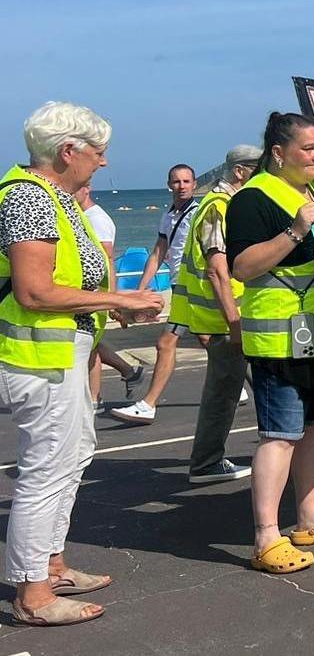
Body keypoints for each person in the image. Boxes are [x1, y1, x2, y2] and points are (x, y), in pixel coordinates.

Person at [0, 102, 164, 626]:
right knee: (45, 469)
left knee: (69, 459)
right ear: (67, 151)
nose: (104, 163)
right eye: (98, 153)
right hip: (40, 355)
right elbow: (34, 290)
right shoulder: (29, 199)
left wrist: (108, 300)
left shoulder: (55, 197)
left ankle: (51, 565)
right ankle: (33, 594)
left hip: (62, 352)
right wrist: (120, 302)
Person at [228, 112, 314, 574]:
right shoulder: (253, 199)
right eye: (310, 148)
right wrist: (295, 231)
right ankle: (266, 537)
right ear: (279, 152)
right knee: (280, 435)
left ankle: (311, 516)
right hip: (279, 341)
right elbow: (242, 267)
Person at [169, 145, 260, 483]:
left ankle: (279, 443)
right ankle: (206, 463)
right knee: (223, 393)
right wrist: (234, 321)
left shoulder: (224, 205)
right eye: (257, 168)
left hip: (229, 316)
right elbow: (216, 270)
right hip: (225, 320)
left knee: (257, 383)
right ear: (240, 171)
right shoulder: (219, 207)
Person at [108, 163, 198, 425]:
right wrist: (142, 288)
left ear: (193, 184)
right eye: (176, 181)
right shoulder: (168, 215)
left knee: (165, 343)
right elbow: (158, 251)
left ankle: (148, 404)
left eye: (186, 181)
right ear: (169, 184)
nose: (181, 186)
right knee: (212, 341)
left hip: (192, 284)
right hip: (178, 284)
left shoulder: (197, 212)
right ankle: (238, 387)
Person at [73, 182, 144, 410]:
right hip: (89, 294)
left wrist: (111, 297)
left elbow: (107, 260)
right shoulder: (82, 215)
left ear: (87, 189)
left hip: (96, 294)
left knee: (90, 346)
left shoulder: (97, 219)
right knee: (90, 343)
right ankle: (127, 372)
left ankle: (94, 399)